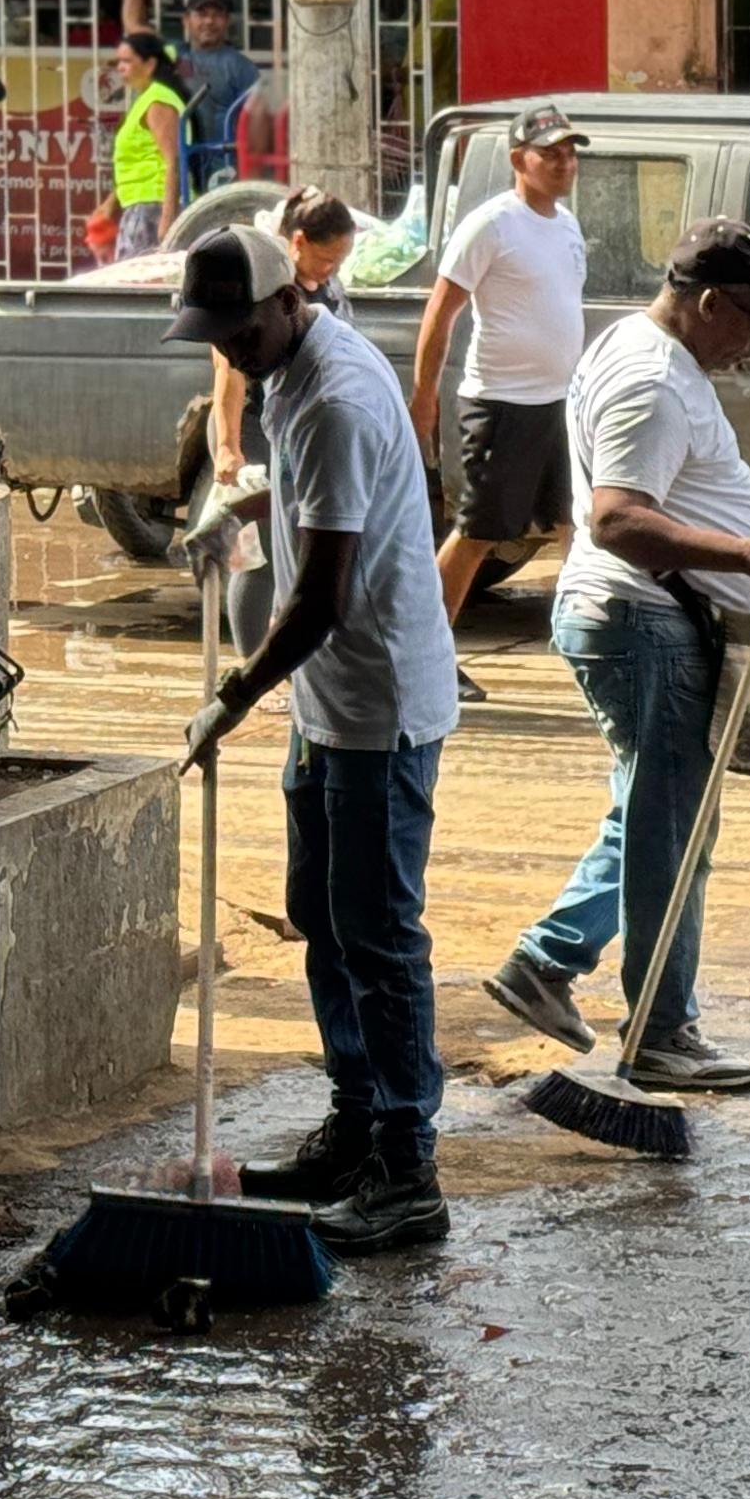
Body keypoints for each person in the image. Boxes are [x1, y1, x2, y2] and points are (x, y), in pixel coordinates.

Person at [170, 225, 461, 1255]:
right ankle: (357, 1120)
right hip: (325, 707)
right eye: (220, 339)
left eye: (241, 331)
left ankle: (405, 1165)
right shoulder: (288, 369)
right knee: (321, 917)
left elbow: (327, 596)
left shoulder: (335, 396)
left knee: (378, 935)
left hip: (376, 701)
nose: (233, 351)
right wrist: (238, 508)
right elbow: (305, 516)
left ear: (288, 297)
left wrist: (236, 696)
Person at [483, 219, 750, 1093]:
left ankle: (547, 960)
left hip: (645, 619)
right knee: (670, 831)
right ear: (710, 302)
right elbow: (617, 519)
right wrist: (744, 557)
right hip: (644, 622)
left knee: (658, 814)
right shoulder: (650, 381)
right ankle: (661, 1030)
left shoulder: (642, 350)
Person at [409, 102, 591, 702]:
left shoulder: (567, 224)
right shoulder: (490, 225)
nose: (564, 163)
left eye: (570, 153)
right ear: (519, 161)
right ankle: (423, 656)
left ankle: (586, 645)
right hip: (502, 405)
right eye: (551, 153)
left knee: (576, 524)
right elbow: (441, 314)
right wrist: (424, 400)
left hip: (561, 404)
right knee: (479, 533)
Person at [211, 186, 360, 659]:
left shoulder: (326, 287)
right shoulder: (260, 288)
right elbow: (228, 372)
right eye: (325, 258)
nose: (331, 269)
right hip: (256, 428)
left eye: (340, 260)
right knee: (260, 559)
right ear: (296, 242)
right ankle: (251, 667)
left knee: (302, 553)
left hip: (303, 431)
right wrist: (229, 446)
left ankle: (288, 660)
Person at [123, 0, 260, 183]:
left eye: (217, 15)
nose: (209, 22)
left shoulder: (240, 67)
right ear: (186, 20)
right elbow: (134, 27)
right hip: (181, 166)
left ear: (227, 21)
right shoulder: (173, 55)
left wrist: (250, 172)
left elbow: (259, 125)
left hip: (224, 169)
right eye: (202, 14)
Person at [96, 31, 184, 261]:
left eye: (127, 61)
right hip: (140, 205)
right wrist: (111, 202)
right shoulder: (145, 99)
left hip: (153, 206)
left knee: (137, 289)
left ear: (149, 64)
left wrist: (167, 218)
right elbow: (142, 158)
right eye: (118, 62)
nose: (120, 68)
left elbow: (172, 161)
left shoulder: (158, 101)